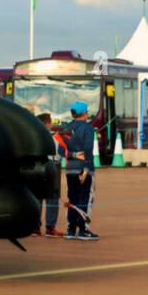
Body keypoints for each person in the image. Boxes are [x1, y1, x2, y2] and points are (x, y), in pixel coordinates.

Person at [63, 101, 98, 241]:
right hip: (83, 169)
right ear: (84, 113)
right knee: (85, 198)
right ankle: (84, 230)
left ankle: (71, 229)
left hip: (70, 168)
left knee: (72, 198)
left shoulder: (67, 127)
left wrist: (73, 155)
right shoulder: (88, 128)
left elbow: (61, 149)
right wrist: (86, 169)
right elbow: (88, 149)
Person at [36, 112, 66, 238]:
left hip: (36, 169)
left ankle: (34, 228)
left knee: (37, 198)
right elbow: (60, 155)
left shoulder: (34, 136)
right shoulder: (54, 138)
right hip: (52, 169)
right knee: (52, 198)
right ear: (48, 123)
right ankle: (50, 228)